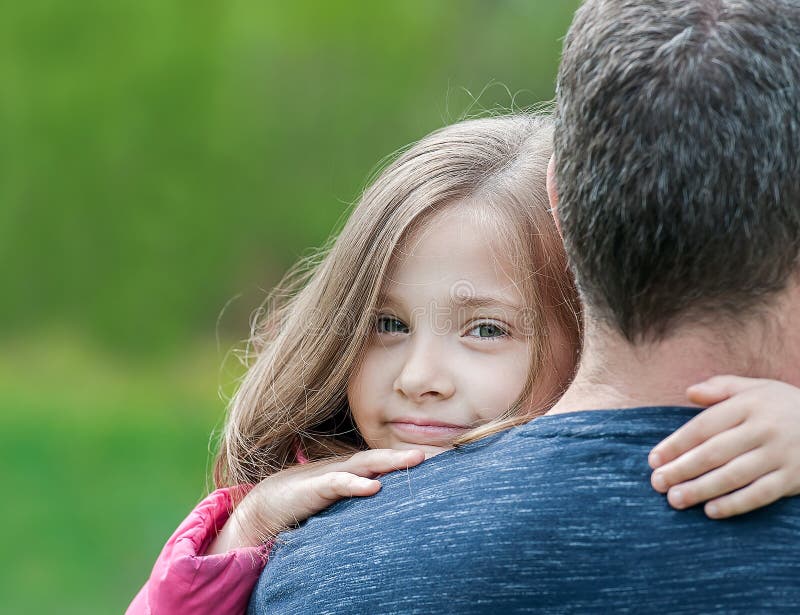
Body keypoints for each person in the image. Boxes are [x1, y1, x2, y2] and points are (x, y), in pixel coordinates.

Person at [246, 1, 800, 613]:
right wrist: (238, 531)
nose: (421, 379)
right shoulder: (286, 521)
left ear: (562, 205)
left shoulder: (317, 574)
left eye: (486, 329)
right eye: (388, 324)